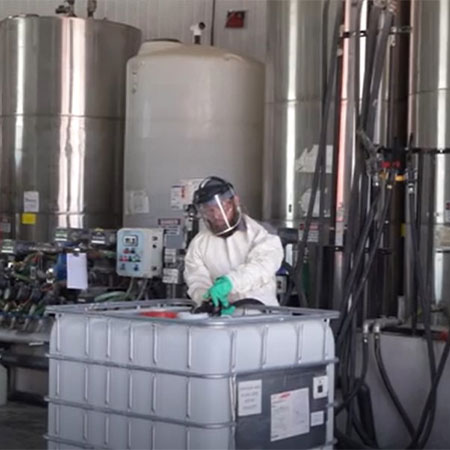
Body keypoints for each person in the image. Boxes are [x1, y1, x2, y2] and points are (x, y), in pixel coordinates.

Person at [184, 176, 284, 312]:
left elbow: (262, 266)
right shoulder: (199, 244)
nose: (216, 215)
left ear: (235, 202)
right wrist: (208, 300)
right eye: (210, 210)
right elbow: (196, 279)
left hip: (262, 316)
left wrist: (231, 282)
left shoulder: (261, 234)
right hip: (221, 319)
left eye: (222, 207)